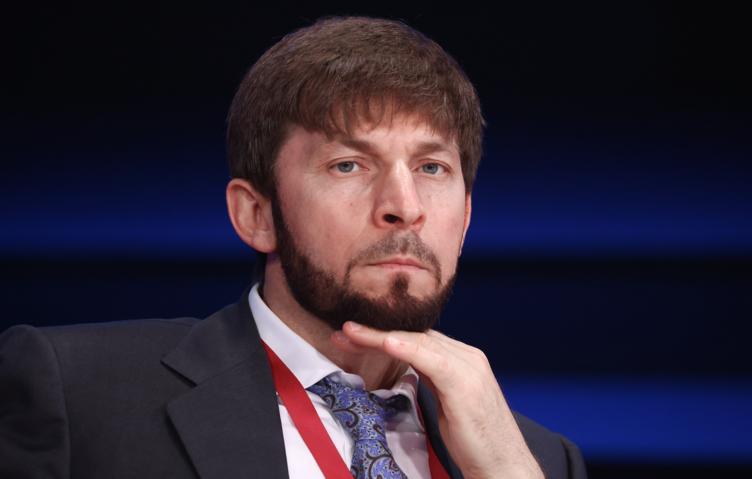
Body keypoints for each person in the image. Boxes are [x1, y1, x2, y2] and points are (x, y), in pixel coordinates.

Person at [0, 16, 586, 479]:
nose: (404, 205)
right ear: (256, 215)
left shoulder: (537, 458)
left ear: (465, 221)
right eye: (348, 164)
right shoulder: (78, 396)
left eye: (431, 167)